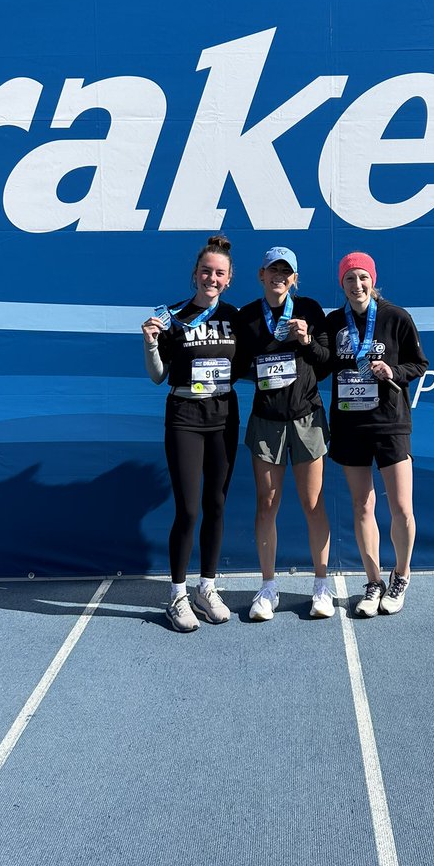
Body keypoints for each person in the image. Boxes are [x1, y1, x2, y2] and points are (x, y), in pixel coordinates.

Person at [142, 234, 246, 633]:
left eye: (219, 273)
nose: (212, 278)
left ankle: (207, 587)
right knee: (188, 509)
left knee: (216, 504)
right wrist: (151, 344)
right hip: (184, 413)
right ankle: (177, 595)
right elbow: (157, 376)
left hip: (224, 414)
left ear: (229, 278)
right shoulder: (172, 317)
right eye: (206, 271)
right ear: (195, 274)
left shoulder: (237, 317)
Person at [325, 252, 428, 616]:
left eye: (362, 278)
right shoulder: (334, 321)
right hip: (350, 424)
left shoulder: (396, 317)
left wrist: (394, 371)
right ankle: (373, 581)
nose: (357, 285)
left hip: (390, 423)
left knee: (401, 507)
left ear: (373, 280)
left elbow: (420, 363)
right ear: (342, 283)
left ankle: (401, 575)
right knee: (361, 505)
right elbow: (322, 361)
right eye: (350, 279)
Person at [238, 246, 333, 621]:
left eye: (286, 271)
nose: (278, 275)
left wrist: (307, 340)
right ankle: (268, 588)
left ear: (294, 278)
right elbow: (237, 365)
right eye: (272, 269)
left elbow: (326, 363)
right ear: (261, 275)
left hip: (307, 417)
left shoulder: (309, 309)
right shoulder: (247, 316)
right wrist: (260, 366)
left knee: (313, 504)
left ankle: (322, 586)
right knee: (267, 504)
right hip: (266, 419)